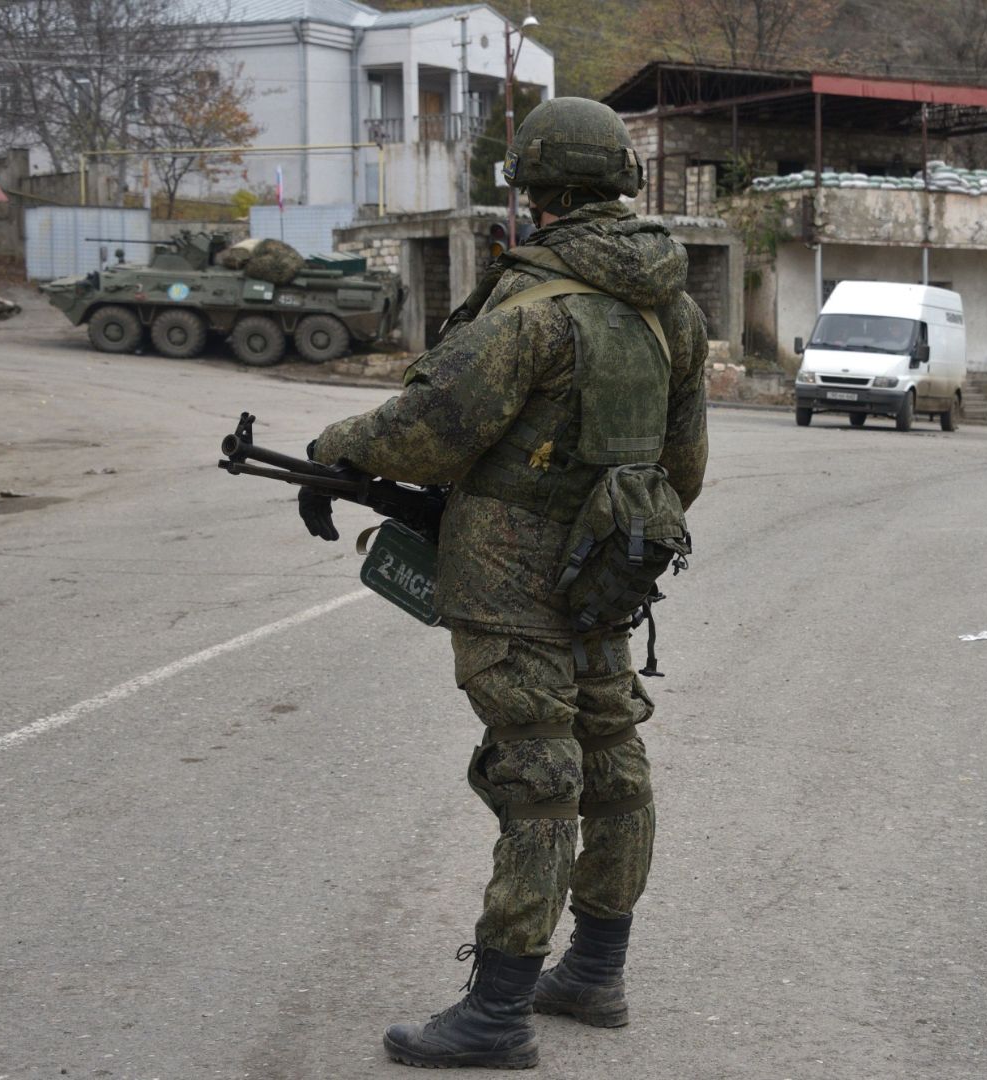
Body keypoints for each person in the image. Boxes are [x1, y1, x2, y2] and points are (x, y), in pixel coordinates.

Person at [303, 97, 709, 1070]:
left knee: (537, 772)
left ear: (539, 191)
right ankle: (595, 974)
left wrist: (331, 447)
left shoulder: (534, 310)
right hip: (607, 570)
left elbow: (428, 434)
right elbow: (682, 469)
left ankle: (496, 1014)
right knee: (610, 756)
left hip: (509, 581)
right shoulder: (673, 311)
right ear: (619, 184)